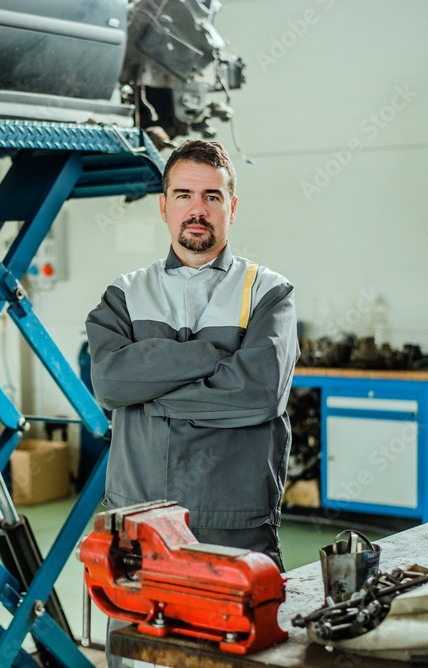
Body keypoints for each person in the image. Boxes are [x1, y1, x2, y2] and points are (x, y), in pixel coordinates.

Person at [85, 139, 299, 567]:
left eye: (211, 197)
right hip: (138, 519)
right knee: (133, 616)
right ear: (163, 206)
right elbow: (109, 383)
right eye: (184, 195)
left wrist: (149, 396)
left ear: (231, 209)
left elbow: (259, 393)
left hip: (234, 523)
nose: (197, 209)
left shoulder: (268, 292)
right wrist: (211, 357)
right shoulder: (125, 293)